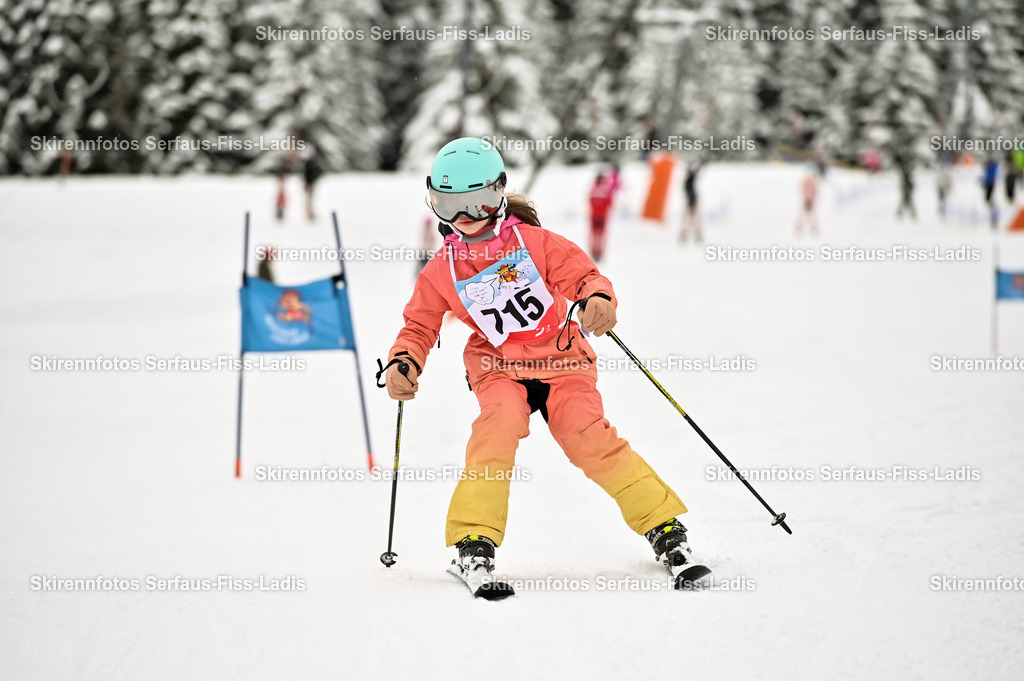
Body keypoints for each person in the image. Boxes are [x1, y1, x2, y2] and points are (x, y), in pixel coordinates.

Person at [380, 137, 707, 592]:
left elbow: (585, 277)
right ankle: (473, 542)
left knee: (589, 437)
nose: (464, 219)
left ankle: (665, 528)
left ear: (498, 194)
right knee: (496, 427)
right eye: (448, 205)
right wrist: (403, 361)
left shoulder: (537, 244)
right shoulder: (443, 267)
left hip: (562, 360)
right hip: (497, 366)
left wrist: (597, 299)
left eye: (477, 203)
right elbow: (418, 324)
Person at [588, 172, 614, 262]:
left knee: (594, 234)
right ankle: (599, 252)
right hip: (602, 216)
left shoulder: (593, 189)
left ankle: (593, 251)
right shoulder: (605, 190)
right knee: (601, 235)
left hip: (594, 215)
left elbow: (590, 201)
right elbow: (610, 202)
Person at [681, 161, 703, 242]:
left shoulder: (688, 182)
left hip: (691, 203)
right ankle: (695, 235)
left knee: (689, 220)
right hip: (691, 202)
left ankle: (694, 235)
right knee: (692, 221)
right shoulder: (688, 183)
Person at [302, 149, 323, 221]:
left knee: (309, 200)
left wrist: (310, 183)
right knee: (308, 200)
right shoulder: (309, 164)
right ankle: (309, 214)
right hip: (309, 185)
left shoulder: (310, 165)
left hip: (310, 185)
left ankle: (310, 214)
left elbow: (311, 175)